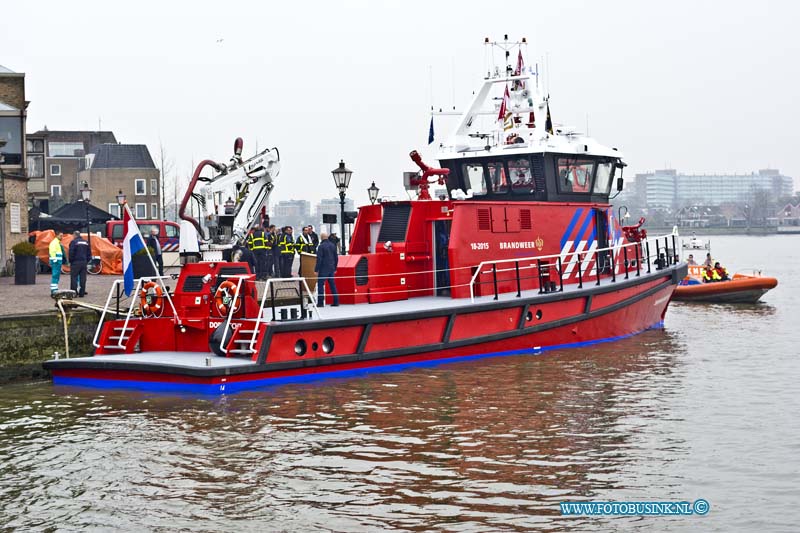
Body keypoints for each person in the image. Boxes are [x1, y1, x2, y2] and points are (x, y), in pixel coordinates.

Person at [315, 232, 339, 307]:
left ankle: (320, 302)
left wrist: (316, 269)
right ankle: (336, 301)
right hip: (331, 268)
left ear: (321, 238)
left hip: (323, 269)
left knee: (320, 285)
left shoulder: (321, 246)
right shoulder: (332, 245)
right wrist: (335, 267)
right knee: (332, 285)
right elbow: (336, 258)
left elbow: (319, 259)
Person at [68, 231, 91, 297]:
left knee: (74, 278)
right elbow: (89, 253)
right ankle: (82, 292)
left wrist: (71, 261)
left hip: (75, 262)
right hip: (84, 263)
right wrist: (86, 261)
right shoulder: (86, 242)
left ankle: (74, 293)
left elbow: (71, 252)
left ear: (74, 235)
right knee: (83, 278)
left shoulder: (74, 242)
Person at [48, 231, 65, 295]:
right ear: (57, 235)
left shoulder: (57, 242)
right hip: (56, 262)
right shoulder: (54, 243)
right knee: (55, 276)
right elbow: (52, 251)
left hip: (57, 262)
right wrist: (54, 259)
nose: (62, 237)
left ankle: (55, 289)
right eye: (60, 235)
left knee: (56, 276)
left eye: (62, 236)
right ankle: (53, 290)